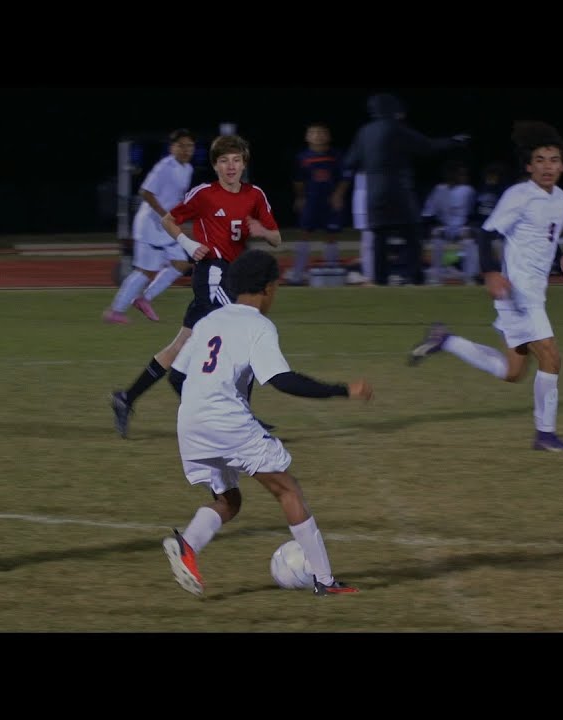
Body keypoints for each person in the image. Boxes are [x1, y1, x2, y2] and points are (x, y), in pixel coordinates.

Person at [160, 249, 372, 597]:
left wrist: (205, 402)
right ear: (269, 288)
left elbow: (175, 379)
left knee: (229, 501)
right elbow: (282, 380)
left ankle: (187, 546)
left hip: (190, 422)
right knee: (287, 489)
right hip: (225, 421)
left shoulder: (208, 321)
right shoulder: (258, 324)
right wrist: (343, 390)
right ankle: (325, 579)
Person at [406, 121, 563, 451]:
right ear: (529, 166)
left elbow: (548, 237)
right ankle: (545, 435)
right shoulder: (518, 195)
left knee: (513, 372)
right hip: (517, 292)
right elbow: (486, 233)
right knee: (551, 357)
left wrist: (562, 259)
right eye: (540, 160)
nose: (547, 166)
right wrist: (489, 272)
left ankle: (447, 341)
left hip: (534, 293)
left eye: (553, 160)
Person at [109, 134, 282, 439]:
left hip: (233, 275)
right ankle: (243, 418)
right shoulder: (204, 194)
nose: (231, 166)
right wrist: (188, 243)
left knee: (179, 346)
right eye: (224, 161)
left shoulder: (255, 195)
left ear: (244, 163)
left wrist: (263, 231)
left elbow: (277, 238)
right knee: (248, 336)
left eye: (236, 160)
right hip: (212, 274)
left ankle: (126, 398)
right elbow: (169, 220)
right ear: (215, 165)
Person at [341, 93, 468, 285]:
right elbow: (427, 146)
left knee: (379, 238)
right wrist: (454, 141)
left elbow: (349, 161)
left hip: (373, 192)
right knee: (412, 234)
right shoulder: (397, 129)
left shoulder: (364, 132)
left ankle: (380, 279)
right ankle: (415, 277)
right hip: (398, 189)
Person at [104, 128, 197, 324]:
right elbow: (145, 192)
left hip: (166, 226)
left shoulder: (188, 169)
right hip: (150, 226)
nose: (186, 150)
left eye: (189, 146)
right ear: (172, 148)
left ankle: (144, 299)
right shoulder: (164, 167)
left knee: (181, 264)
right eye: (181, 146)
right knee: (145, 272)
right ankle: (115, 311)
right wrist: (166, 215)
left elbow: (177, 197)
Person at [284, 121, 349, 285]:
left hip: (330, 201)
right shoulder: (302, 158)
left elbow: (344, 178)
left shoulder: (337, 156)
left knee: (331, 236)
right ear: (307, 137)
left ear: (328, 136)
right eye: (314, 133)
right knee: (304, 234)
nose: (318, 136)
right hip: (311, 201)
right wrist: (300, 197)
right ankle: (298, 274)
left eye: (322, 132)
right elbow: (298, 181)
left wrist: (338, 195)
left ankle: (332, 271)